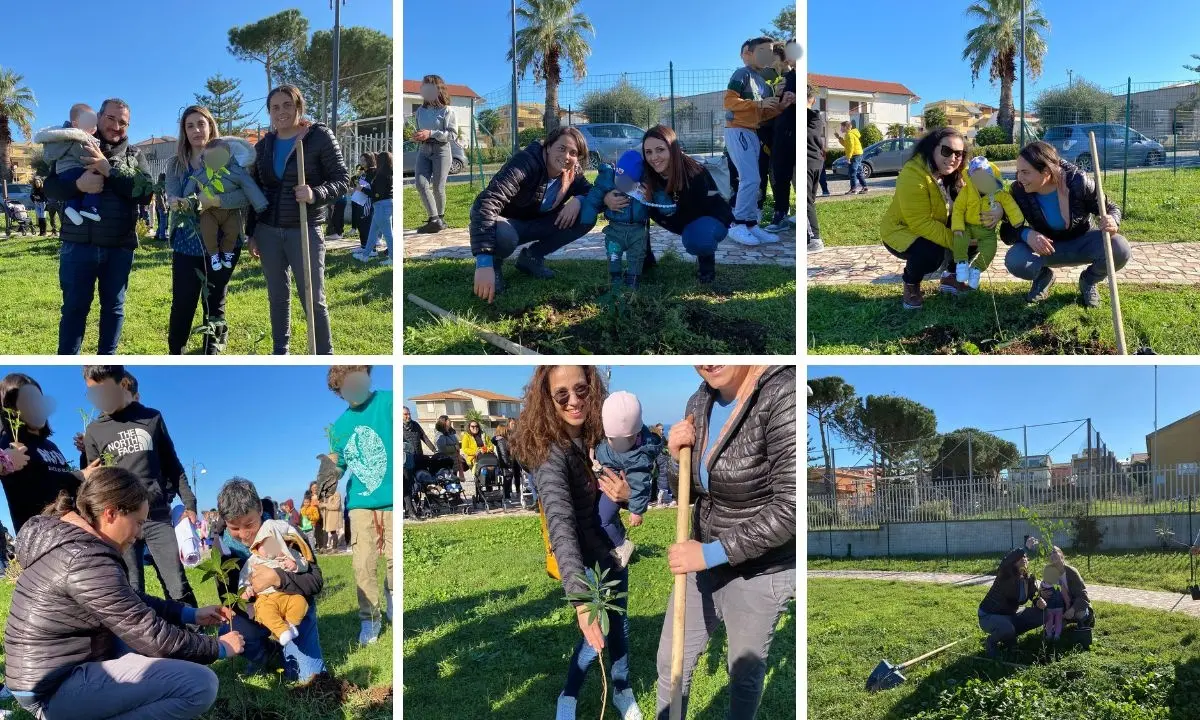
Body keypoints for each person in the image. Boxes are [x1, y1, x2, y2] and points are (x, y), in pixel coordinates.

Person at [5, 468, 242, 719]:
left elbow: (129, 599)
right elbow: (150, 634)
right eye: (138, 522)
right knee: (199, 685)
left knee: (139, 650)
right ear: (111, 513)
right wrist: (219, 647)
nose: (140, 533)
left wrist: (190, 614)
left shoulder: (77, 545)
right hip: (52, 688)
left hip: (47, 674)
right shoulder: (85, 558)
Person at [653, 365, 795, 720]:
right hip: (701, 560)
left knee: (743, 675)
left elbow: (790, 509)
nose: (709, 362)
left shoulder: (781, 393)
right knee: (671, 664)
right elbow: (687, 490)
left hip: (759, 569)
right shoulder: (699, 400)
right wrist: (675, 457)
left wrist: (711, 553)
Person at [509, 366, 642, 720]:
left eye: (581, 390)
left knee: (620, 624)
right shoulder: (548, 453)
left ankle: (622, 688)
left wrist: (629, 495)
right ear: (547, 399)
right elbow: (561, 527)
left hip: (612, 552)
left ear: (593, 390)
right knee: (594, 632)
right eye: (561, 394)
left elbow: (639, 469)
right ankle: (569, 693)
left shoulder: (603, 433)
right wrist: (582, 602)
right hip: (584, 559)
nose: (574, 402)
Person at [43, 98, 153, 355]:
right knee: (73, 308)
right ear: (99, 117)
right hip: (77, 245)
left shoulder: (135, 155)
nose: (116, 126)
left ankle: (107, 360)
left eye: (123, 122)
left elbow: (146, 192)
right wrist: (78, 186)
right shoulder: (74, 143)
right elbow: (50, 187)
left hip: (118, 248)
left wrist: (108, 169)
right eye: (111, 119)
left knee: (114, 309)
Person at [245, 85, 350, 355]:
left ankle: (323, 352)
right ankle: (281, 350)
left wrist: (316, 193)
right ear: (269, 112)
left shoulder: (317, 137)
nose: (281, 112)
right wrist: (252, 232)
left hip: (304, 228)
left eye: (287, 105)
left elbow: (342, 179)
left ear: (299, 107)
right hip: (268, 231)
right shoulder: (264, 146)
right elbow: (255, 190)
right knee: (277, 297)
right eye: (275, 107)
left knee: (313, 296)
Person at [81, 365, 199, 606]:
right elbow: (93, 482)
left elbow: (172, 465)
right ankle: (141, 641)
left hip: (156, 517)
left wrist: (190, 503)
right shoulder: (94, 431)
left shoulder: (152, 418)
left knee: (176, 582)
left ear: (123, 384)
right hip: (120, 520)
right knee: (132, 587)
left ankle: (194, 633)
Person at [216, 478, 326, 683]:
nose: (244, 535)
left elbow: (315, 581)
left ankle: (290, 645)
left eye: (249, 524)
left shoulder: (284, 531)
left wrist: (278, 578)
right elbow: (227, 597)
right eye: (234, 528)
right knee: (229, 630)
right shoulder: (222, 547)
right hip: (259, 611)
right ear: (224, 520)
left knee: (309, 679)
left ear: (259, 508)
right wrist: (247, 601)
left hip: (294, 608)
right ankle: (268, 652)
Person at [468, 127, 596, 302]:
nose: (567, 156)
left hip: (535, 222)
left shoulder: (573, 171)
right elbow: (487, 203)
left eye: (573, 153)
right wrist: (483, 262)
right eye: (562, 148)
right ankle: (493, 265)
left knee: (586, 216)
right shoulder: (526, 162)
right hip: (506, 222)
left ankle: (531, 258)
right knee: (504, 235)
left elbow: (593, 194)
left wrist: (579, 199)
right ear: (548, 146)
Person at [880, 127, 1000, 310]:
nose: (953, 158)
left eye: (959, 154)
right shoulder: (912, 175)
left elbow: (991, 175)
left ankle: (951, 277)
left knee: (975, 228)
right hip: (902, 230)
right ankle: (911, 284)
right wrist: (960, 242)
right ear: (931, 148)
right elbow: (920, 223)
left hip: (936, 225)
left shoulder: (957, 171)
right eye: (947, 151)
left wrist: (997, 209)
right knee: (931, 254)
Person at [1000, 141, 1130, 308]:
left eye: (1025, 172)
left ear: (1046, 170)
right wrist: (1027, 234)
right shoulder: (1019, 190)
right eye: (1018, 172)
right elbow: (1007, 231)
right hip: (1047, 247)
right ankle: (1043, 278)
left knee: (1120, 248)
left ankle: (1088, 281)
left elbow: (1111, 207)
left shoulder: (1078, 181)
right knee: (1015, 259)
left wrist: (1113, 219)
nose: (1019, 178)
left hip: (1082, 242)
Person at [166, 106, 252, 355]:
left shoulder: (229, 159)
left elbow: (243, 196)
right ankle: (175, 353)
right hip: (187, 244)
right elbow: (173, 194)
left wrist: (214, 201)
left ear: (211, 126)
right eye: (190, 125)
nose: (196, 130)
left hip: (224, 242)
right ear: (184, 131)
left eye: (201, 124)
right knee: (183, 303)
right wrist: (176, 202)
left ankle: (211, 353)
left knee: (215, 302)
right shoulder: (176, 164)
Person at [326, 366, 393, 645]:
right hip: (361, 502)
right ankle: (370, 620)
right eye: (347, 385)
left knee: (394, 560)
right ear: (339, 392)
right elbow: (339, 464)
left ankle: (394, 607)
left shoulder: (388, 400)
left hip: (390, 499)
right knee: (363, 562)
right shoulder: (339, 428)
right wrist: (329, 475)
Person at [621, 125, 734, 284]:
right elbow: (617, 182)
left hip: (708, 217)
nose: (654, 157)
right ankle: (644, 260)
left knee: (698, 239)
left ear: (672, 149)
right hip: (673, 215)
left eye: (660, 149)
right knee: (634, 206)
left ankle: (706, 265)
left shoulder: (695, 174)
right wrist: (619, 195)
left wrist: (652, 199)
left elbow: (691, 214)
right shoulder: (646, 171)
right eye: (649, 152)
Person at [0, 373, 89, 533]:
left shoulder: (51, 445)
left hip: (71, 527)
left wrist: (86, 453)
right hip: (41, 535)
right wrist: (80, 475)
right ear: (12, 409)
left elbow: (72, 486)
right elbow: (35, 492)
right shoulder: (11, 445)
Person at [723, 37, 784, 246]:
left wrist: (782, 105)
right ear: (748, 53)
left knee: (755, 180)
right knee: (749, 178)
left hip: (752, 132)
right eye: (762, 50)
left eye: (770, 50)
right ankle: (737, 224)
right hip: (738, 130)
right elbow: (729, 102)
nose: (767, 54)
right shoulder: (741, 74)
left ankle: (750, 224)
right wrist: (759, 103)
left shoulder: (764, 83)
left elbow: (763, 114)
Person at [594, 391, 661, 569]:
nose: (619, 445)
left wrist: (636, 510)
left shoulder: (637, 456)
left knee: (603, 518)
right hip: (607, 482)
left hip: (614, 486)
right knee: (604, 517)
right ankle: (619, 538)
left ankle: (621, 545)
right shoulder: (616, 440)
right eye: (612, 440)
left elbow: (640, 483)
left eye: (626, 440)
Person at [183, 137, 269, 272]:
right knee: (208, 232)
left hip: (231, 210)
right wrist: (187, 201)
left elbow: (249, 187)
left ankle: (227, 253)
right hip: (208, 211)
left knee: (233, 231)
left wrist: (260, 204)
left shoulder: (236, 171)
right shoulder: (202, 172)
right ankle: (214, 255)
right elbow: (191, 185)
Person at [579, 149, 652, 288]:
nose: (623, 184)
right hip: (614, 230)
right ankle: (615, 276)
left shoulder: (645, 184)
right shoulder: (608, 180)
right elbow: (593, 198)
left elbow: (660, 196)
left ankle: (633, 278)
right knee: (613, 254)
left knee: (636, 255)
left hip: (638, 230)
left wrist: (661, 201)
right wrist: (587, 216)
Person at [952, 156, 1025, 289]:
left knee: (990, 250)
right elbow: (958, 209)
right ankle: (961, 263)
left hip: (987, 230)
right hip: (967, 226)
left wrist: (1017, 220)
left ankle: (976, 269)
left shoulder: (998, 193)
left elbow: (1010, 205)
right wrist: (958, 226)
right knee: (959, 239)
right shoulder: (966, 191)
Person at [238, 517, 312, 647]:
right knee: (265, 611)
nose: (268, 549)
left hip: (287, 594)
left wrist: (295, 565)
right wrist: (245, 589)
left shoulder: (289, 555)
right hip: (266, 597)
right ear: (257, 544)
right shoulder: (253, 561)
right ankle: (281, 631)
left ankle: (290, 624)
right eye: (263, 545)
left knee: (301, 602)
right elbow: (243, 577)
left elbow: (305, 564)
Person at [33, 103, 104, 225]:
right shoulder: (77, 138)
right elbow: (82, 156)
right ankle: (89, 207)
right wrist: (100, 164)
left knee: (78, 190)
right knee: (93, 179)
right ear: (76, 124)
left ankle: (72, 208)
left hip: (64, 171)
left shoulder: (63, 140)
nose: (94, 127)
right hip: (74, 170)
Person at [979, 547, 1045, 656]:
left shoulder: (1028, 578)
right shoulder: (1005, 575)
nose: (1023, 558)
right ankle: (991, 641)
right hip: (989, 615)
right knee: (1007, 628)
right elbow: (1005, 563)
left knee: (1041, 614)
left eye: (1024, 557)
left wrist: (1038, 601)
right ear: (1013, 562)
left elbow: (1033, 595)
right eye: (1019, 557)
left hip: (1010, 614)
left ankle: (1009, 637)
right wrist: (1025, 548)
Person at [413, 74, 458, 234]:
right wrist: (417, 136)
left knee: (438, 187)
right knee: (420, 183)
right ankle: (434, 219)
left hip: (442, 150)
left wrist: (431, 133)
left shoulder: (447, 110)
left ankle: (440, 218)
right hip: (424, 150)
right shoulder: (420, 111)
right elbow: (420, 130)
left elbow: (452, 135)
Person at [764, 39, 799, 234]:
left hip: (798, 132)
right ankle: (780, 214)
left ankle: (802, 216)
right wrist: (778, 97)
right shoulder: (786, 77)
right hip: (781, 132)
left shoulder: (801, 77)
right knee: (780, 174)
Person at [358, 150, 394, 264]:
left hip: (382, 205)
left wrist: (362, 189)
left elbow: (376, 194)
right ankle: (365, 256)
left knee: (388, 234)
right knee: (372, 233)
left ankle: (393, 258)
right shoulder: (386, 173)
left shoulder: (382, 176)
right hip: (382, 206)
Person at [1047, 545, 1093, 626]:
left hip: (1077, 604)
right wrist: (1043, 593)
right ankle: (1064, 620)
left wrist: (1073, 609)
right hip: (1062, 606)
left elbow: (1083, 596)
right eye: (1050, 554)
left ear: (1062, 556)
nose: (1052, 555)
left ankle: (1087, 618)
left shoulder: (1072, 572)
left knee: (1080, 614)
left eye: (1054, 552)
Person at [805, 83, 825, 252]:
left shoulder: (810, 117)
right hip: (816, 162)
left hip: (808, 162)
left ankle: (815, 239)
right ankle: (809, 238)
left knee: (806, 202)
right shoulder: (817, 118)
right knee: (809, 201)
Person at [350, 152, 377, 260]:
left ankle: (372, 249)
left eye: (364, 160)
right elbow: (360, 184)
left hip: (367, 202)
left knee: (367, 225)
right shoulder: (363, 172)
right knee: (361, 224)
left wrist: (362, 189)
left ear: (369, 161)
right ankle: (364, 245)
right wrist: (356, 188)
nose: (361, 162)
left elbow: (372, 189)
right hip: (360, 200)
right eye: (361, 160)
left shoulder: (373, 172)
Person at [835, 120, 867, 195]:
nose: (840, 129)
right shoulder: (850, 134)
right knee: (859, 172)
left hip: (854, 155)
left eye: (841, 127)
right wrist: (839, 138)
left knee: (852, 172)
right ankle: (865, 187)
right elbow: (846, 145)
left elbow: (850, 147)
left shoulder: (849, 135)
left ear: (846, 127)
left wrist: (848, 157)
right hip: (858, 154)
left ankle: (853, 190)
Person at [460, 420, 494, 486]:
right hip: (474, 458)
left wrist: (485, 449)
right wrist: (476, 451)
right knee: (479, 475)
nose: (475, 428)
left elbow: (491, 446)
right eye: (472, 426)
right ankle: (479, 488)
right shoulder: (466, 436)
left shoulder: (483, 434)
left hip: (486, 456)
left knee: (489, 473)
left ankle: (490, 488)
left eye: (476, 426)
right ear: (469, 427)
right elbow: (465, 449)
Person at [492, 423, 518, 505]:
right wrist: (508, 464)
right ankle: (506, 497)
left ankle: (506, 496)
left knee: (506, 481)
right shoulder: (501, 440)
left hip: (502, 463)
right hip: (505, 464)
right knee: (507, 480)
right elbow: (504, 454)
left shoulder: (498, 440)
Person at [319, 480, 344, 552]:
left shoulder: (336, 494)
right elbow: (322, 504)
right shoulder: (325, 494)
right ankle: (324, 548)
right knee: (324, 531)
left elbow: (336, 506)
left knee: (333, 532)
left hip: (333, 516)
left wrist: (324, 505)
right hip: (326, 516)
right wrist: (321, 505)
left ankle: (334, 548)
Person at [153, 172, 169, 241]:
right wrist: (164, 207)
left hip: (158, 207)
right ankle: (162, 236)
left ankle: (157, 235)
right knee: (163, 222)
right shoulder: (161, 186)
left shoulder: (158, 186)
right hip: (161, 207)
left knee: (161, 222)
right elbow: (160, 198)